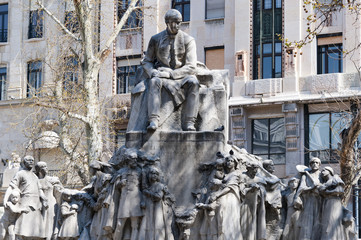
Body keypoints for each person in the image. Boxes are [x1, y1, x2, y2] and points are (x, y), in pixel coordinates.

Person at [142, 9, 199, 131]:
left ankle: (190, 122)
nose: (178, 25)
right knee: (153, 82)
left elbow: (192, 66)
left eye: (179, 22)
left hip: (181, 75)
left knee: (193, 82)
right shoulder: (155, 39)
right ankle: (153, 120)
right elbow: (147, 61)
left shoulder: (188, 40)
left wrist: (171, 74)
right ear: (167, 22)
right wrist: (152, 72)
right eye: (175, 22)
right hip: (161, 74)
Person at [4, 155, 47, 239]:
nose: (31, 161)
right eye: (28, 160)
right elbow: (11, 186)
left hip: (36, 205)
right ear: (24, 163)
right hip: (25, 204)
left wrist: (44, 199)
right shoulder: (20, 173)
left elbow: (40, 190)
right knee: (22, 231)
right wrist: (5, 199)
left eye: (32, 160)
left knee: (35, 232)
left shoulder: (35, 176)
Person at [113, 150, 144, 240]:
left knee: (135, 225)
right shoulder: (121, 171)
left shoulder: (139, 171)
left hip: (136, 199)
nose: (135, 161)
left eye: (136, 160)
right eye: (133, 160)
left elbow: (143, 186)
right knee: (120, 224)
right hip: (125, 199)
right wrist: (120, 183)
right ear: (128, 160)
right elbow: (116, 185)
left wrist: (143, 200)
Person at [294, 157, 322, 240]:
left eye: (317, 163)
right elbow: (302, 188)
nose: (315, 164)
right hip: (309, 200)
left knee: (319, 221)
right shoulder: (305, 176)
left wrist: (320, 186)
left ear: (319, 165)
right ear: (310, 165)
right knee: (308, 222)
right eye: (313, 163)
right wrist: (311, 188)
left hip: (320, 200)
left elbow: (325, 187)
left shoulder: (322, 174)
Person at [35, 161, 64, 240]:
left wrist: (59, 182)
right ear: (39, 170)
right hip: (40, 204)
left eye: (46, 166)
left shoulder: (52, 179)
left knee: (51, 221)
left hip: (52, 203)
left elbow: (61, 190)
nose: (46, 168)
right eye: (44, 167)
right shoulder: (36, 180)